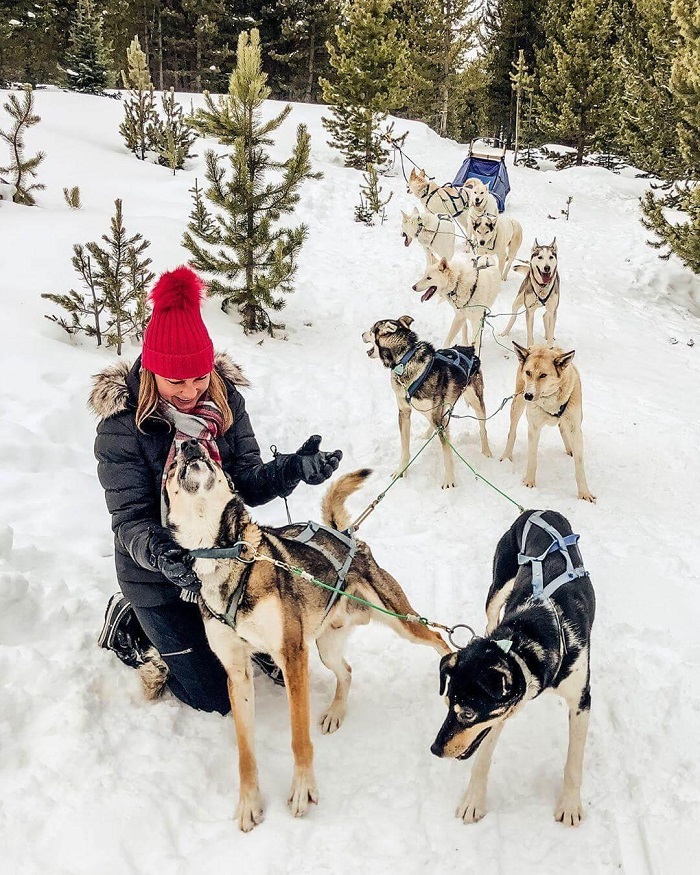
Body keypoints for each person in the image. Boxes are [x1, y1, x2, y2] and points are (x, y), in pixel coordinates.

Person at [90, 266, 342, 714]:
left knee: (276, 653)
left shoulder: (224, 400)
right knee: (214, 697)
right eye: (176, 381)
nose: (190, 392)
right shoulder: (121, 428)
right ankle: (130, 623)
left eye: (199, 377)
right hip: (157, 578)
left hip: (225, 565)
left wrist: (289, 470)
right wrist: (162, 554)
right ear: (152, 371)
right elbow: (130, 521)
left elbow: (245, 482)